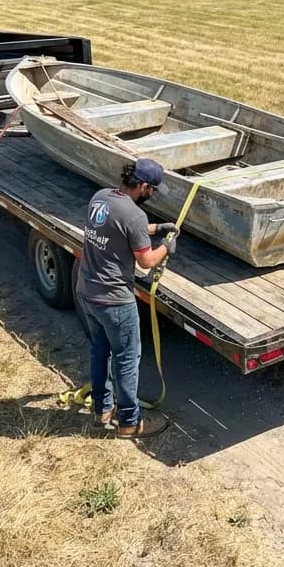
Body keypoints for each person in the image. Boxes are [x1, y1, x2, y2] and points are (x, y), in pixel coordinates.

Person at [76, 157, 177, 439]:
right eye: (152, 189)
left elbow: (120, 227)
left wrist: (157, 228)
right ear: (143, 186)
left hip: (86, 290)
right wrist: (166, 247)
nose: (152, 194)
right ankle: (130, 422)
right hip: (115, 300)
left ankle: (102, 408)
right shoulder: (134, 215)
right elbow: (146, 261)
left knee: (100, 350)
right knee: (126, 359)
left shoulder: (101, 197)